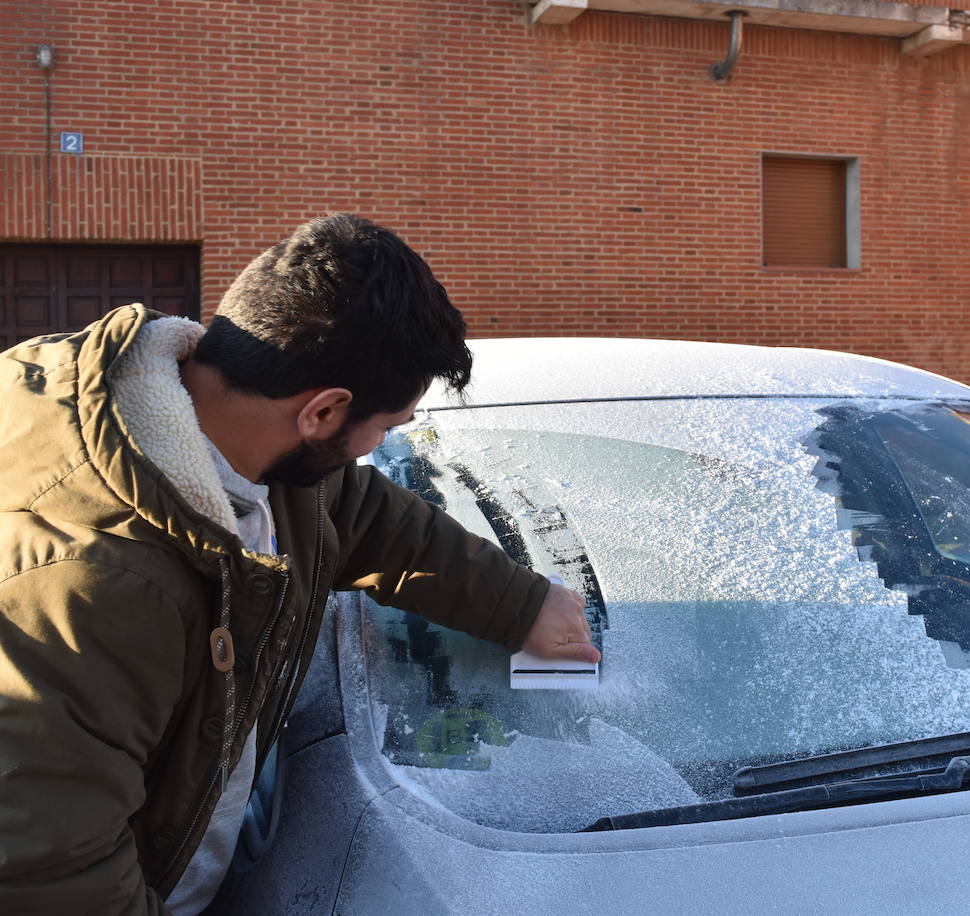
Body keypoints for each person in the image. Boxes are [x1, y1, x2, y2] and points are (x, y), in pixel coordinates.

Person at [0, 214, 600, 915]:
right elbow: (48, 875)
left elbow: (371, 518)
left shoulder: (260, 452)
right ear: (322, 413)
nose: (375, 448)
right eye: (384, 429)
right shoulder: (90, 589)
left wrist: (521, 605)